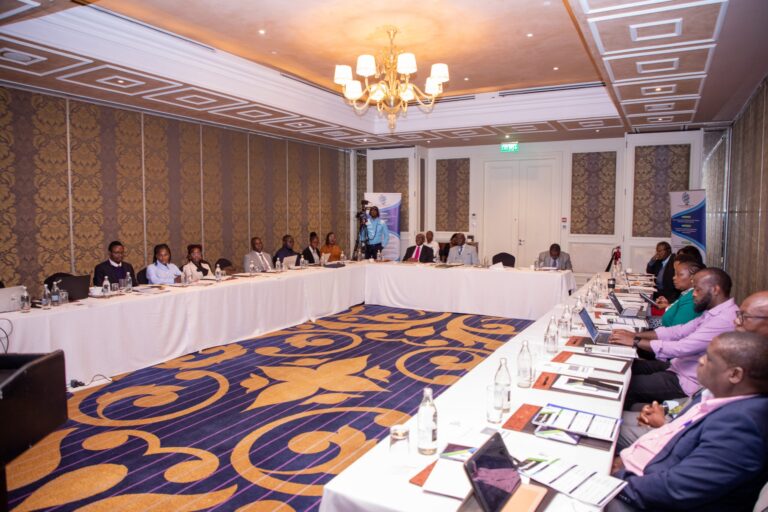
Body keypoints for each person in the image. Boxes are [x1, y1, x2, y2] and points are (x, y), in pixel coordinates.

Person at [607, 331, 768, 512]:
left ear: (735, 374)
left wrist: (615, 480)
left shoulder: (743, 425)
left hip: (641, 496)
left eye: (709, 358)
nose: (700, 360)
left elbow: (676, 490)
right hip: (638, 473)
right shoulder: (717, 395)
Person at [609, 268, 738, 409]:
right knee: (625, 366)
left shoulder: (724, 319)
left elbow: (682, 348)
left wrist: (635, 341)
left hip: (685, 381)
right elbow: (678, 331)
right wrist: (635, 335)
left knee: (622, 384)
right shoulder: (714, 312)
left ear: (715, 290)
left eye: (698, 290)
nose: (694, 294)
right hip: (679, 366)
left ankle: (628, 417)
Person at [654, 257, 705, 327]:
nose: (674, 278)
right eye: (675, 274)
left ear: (693, 278)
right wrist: (669, 305)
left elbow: (676, 329)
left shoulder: (693, 298)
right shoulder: (686, 293)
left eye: (679, 274)